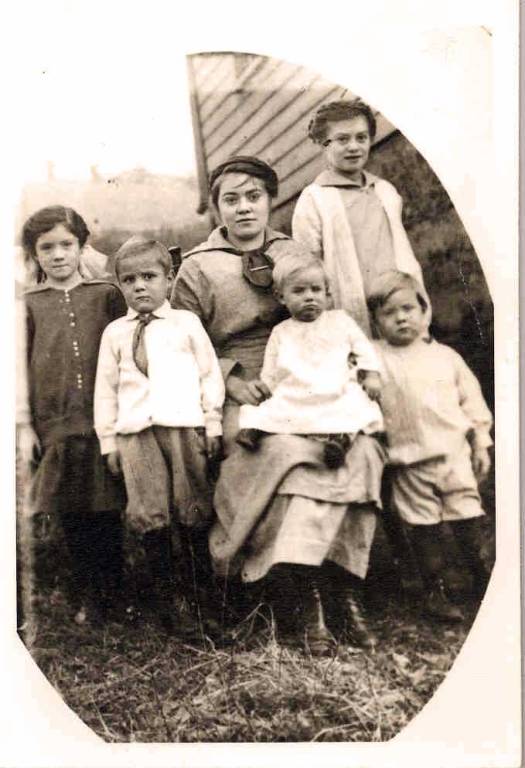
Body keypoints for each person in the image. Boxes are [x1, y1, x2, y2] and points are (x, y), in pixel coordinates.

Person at [172, 156, 385, 653]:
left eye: (254, 197)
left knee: (363, 449)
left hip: (314, 371)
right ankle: (302, 594)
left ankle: (343, 588)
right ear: (216, 206)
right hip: (241, 381)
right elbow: (181, 340)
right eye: (231, 199)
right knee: (286, 455)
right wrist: (231, 379)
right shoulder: (198, 266)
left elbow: (326, 314)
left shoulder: (295, 250)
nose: (244, 208)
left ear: (270, 199)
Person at [94, 237, 225, 635]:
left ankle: (205, 598)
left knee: (193, 507)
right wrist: (109, 441)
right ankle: (172, 602)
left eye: (149, 277)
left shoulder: (186, 324)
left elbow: (209, 374)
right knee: (151, 514)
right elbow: (105, 388)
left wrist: (213, 421)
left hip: (183, 426)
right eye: (129, 280)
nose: (139, 286)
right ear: (120, 286)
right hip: (136, 433)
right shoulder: (116, 333)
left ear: (168, 279)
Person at [20, 206, 127, 625]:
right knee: (72, 509)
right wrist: (25, 426)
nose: (58, 255)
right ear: (34, 253)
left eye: (67, 244)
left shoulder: (106, 295)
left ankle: (115, 590)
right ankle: (89, 592)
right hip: (54, 423)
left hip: (103, 420)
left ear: (83, 246)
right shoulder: (26, 305)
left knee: (107, 507)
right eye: (47, 247)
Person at [367, 270, 493, 622]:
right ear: (376, 322)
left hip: (454, 455)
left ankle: (484, 580)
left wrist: (481, 442)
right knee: (425, 533)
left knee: (468, 521)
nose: (401, 318)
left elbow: (472, 403)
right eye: (389, 313)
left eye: (408, 308)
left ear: (425, 312)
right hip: (409, 462)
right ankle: (435, 591)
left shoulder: (445, 357)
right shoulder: (375, 359)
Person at [236, 253, 383, 470]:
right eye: (299, 291)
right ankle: (257, 429)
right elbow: (272, 364)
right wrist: (267, 384)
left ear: (327, 293)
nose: (309, 297)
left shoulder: (340, 321)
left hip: (335, 385)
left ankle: (340, 441)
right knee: (273, 407)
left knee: (355, 404)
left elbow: (363, 349)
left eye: (316, 290)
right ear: (281, 297)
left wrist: (371, 374)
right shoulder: (282, 331)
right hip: (296, 388)